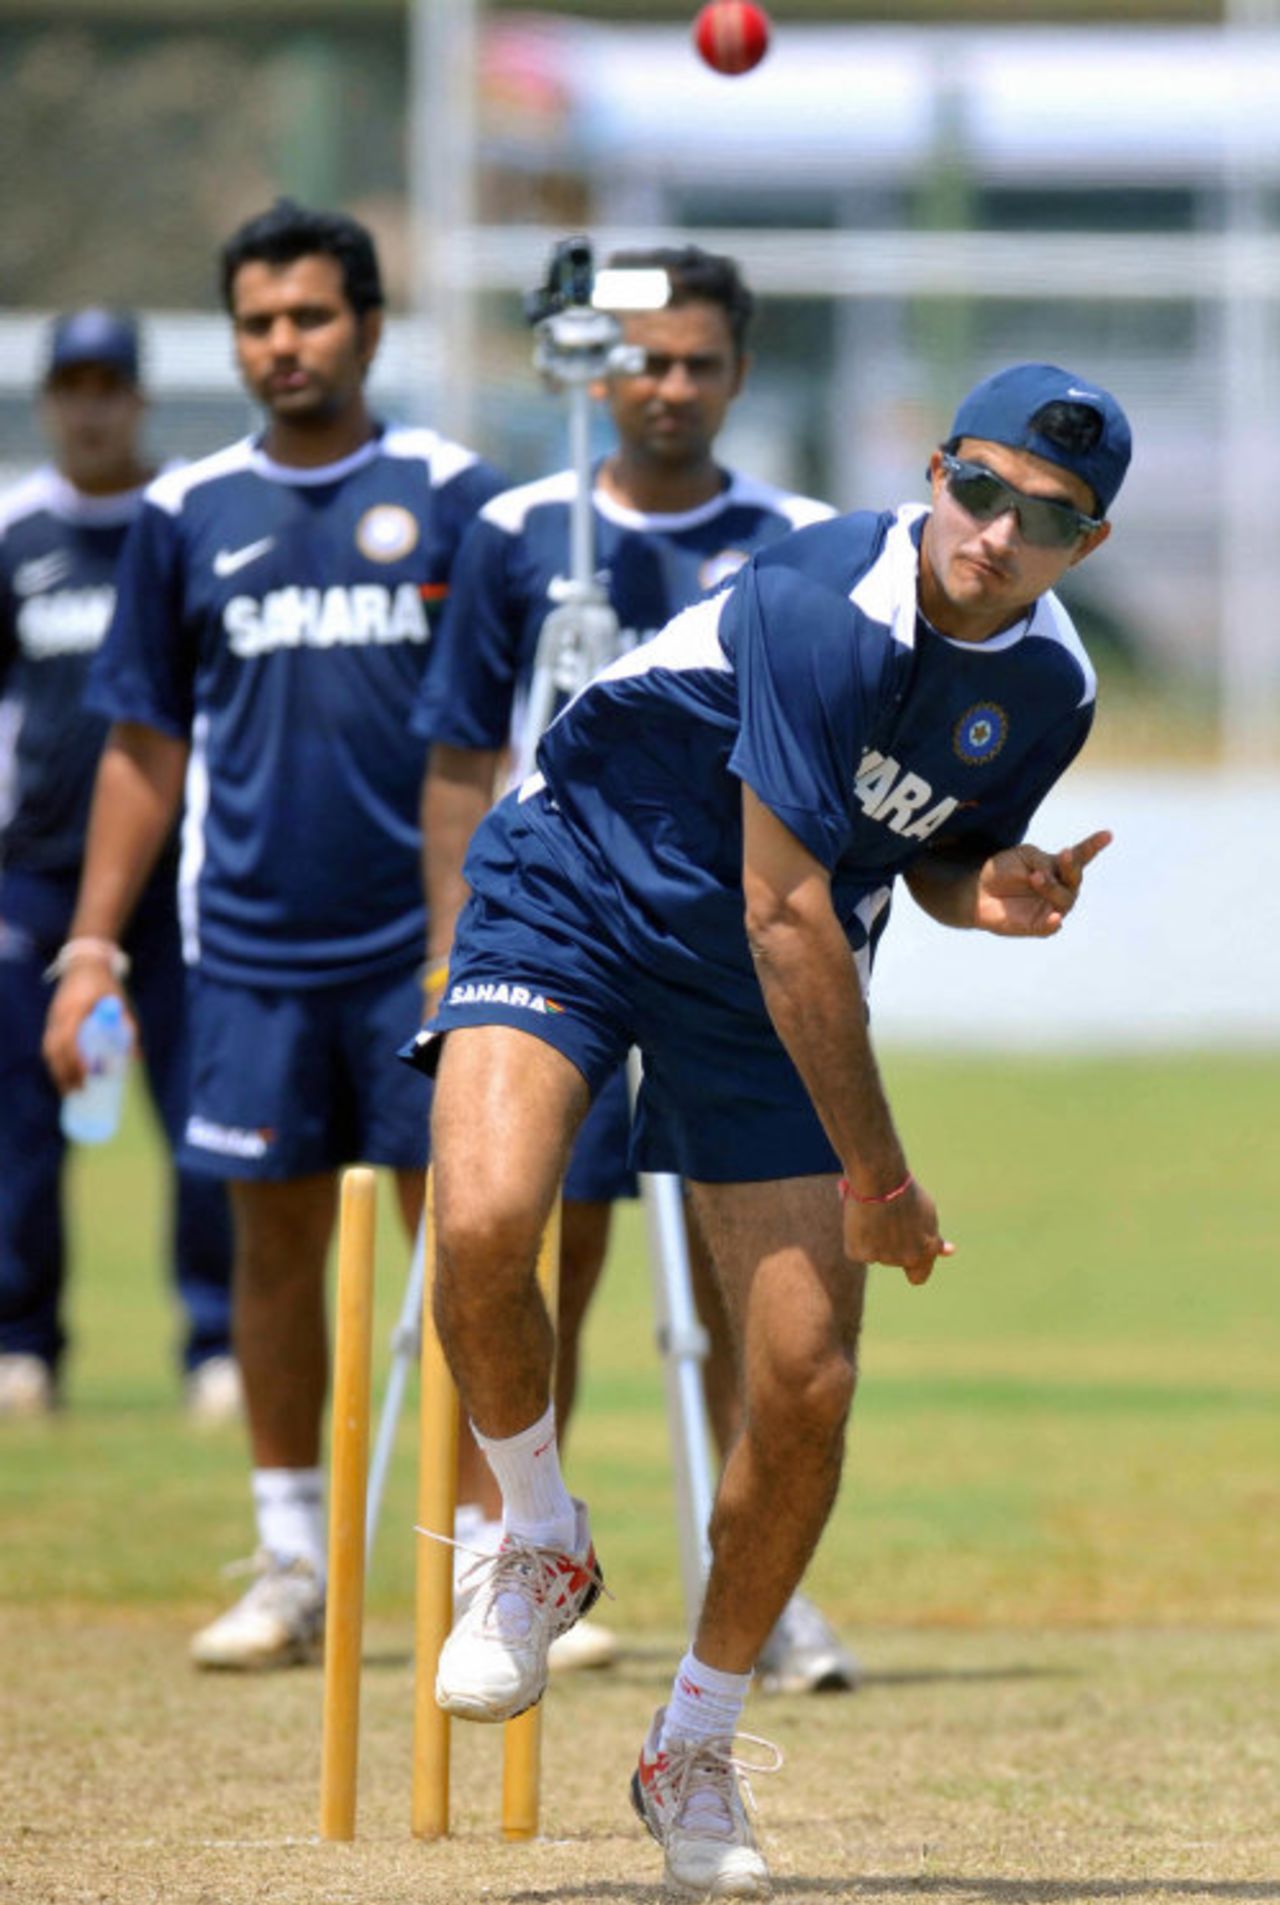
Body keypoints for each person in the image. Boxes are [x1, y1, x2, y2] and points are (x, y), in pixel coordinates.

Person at [407, 361, 1131, 1897]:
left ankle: (695, 1742)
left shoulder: (1053, 687)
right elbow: (789, 908)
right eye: (979, 488)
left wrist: (981, 886)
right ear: (935, 472)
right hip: (584, 886)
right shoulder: (824, 598)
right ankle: (536, 1530)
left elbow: (913, 847)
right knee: (479, 1221)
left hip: (757, 979)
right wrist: (881, 1172)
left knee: (802, 1383)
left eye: (1047, 516)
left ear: (1090, 543)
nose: (996, 533)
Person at [42, 203, 505, 1667]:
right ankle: (294, 1558)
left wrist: (476, 939)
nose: (282, 345)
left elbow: (497, 741)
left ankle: (499, 1553)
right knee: (273, 1250)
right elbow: (144, 748)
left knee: (474, 1252)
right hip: (245, 954)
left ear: (366, 326)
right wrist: (92, 948)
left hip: (424, 955)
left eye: (308, 317)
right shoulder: (188, 515)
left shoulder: (453, 497)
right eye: (256, 323)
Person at [417, 243, 858, 1692]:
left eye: (698, 364)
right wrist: (450, 952)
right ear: (601, 367)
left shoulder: (801, 539)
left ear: (738, 374)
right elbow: (463, 752)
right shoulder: (523, 525)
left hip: (741, 955)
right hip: (570, 934)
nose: (668, 389)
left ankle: (767, 1590)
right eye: (644, 360)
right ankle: (524, 1550)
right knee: (546, 1238)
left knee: (757, 1289)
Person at [0, 309, 236, 1423]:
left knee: (204, 1121)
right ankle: (22, 1345)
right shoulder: (17, 534)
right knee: (20, 1132)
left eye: (110, 385)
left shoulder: (183, 522)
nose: (91, 407)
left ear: (139, 398)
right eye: (73, 386)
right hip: (34, 876)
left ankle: (216, 1347)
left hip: (179, 877)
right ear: (50, 399)